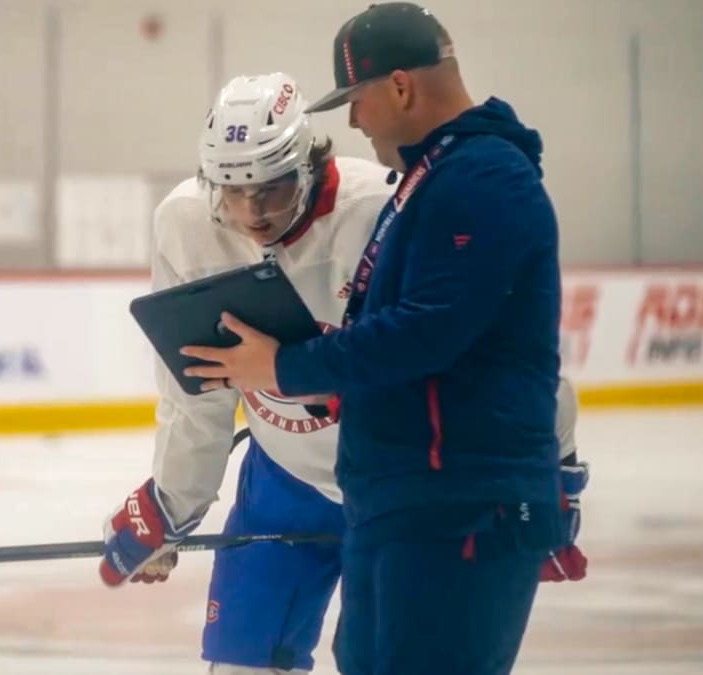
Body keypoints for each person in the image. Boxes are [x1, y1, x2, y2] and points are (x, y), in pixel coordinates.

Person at [179, 3, 579, 673]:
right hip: (409, 510)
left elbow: (427, 332)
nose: (355, 121)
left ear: (399, 87)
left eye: (357, 100)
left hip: (459, 514)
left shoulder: (484, 178)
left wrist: (285, 364)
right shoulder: (434, 179)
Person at [98, 72, 395, 674]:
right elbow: (196, 388)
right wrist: (170, 504)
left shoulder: (381, 210)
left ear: (310, 165)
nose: (251, 213)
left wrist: (550, 470)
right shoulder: (186, 223)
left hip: (396, 486)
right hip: (284, 485)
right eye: (232, 191)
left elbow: (474, 348)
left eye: (271, 189)